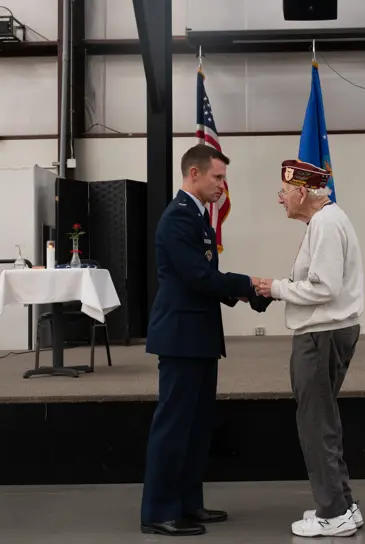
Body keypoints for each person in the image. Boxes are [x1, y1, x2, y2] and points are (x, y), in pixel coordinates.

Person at [141, 144, 261, 537]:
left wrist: (246, 293)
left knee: (196, 426)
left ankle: (188, 504)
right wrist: (249, 286)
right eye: (218, 177)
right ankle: (159, 510)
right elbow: (197, 277)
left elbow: (207, 276)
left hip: (198, 336)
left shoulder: (196, 217)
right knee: (174, 425)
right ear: (194, 174)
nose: (223, 186)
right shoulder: (178, 219)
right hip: (180, 337)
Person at [255, 159, 365, 538]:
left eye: (284, 191)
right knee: (324, 418)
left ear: (302, 192)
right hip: (328, 331)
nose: (279, 198)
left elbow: (324, 288)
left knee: (315, 423)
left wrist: (276, 288)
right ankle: (343, 504)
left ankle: (333, 513)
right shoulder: (325, 221)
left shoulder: (327, 225)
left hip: (321, 335)